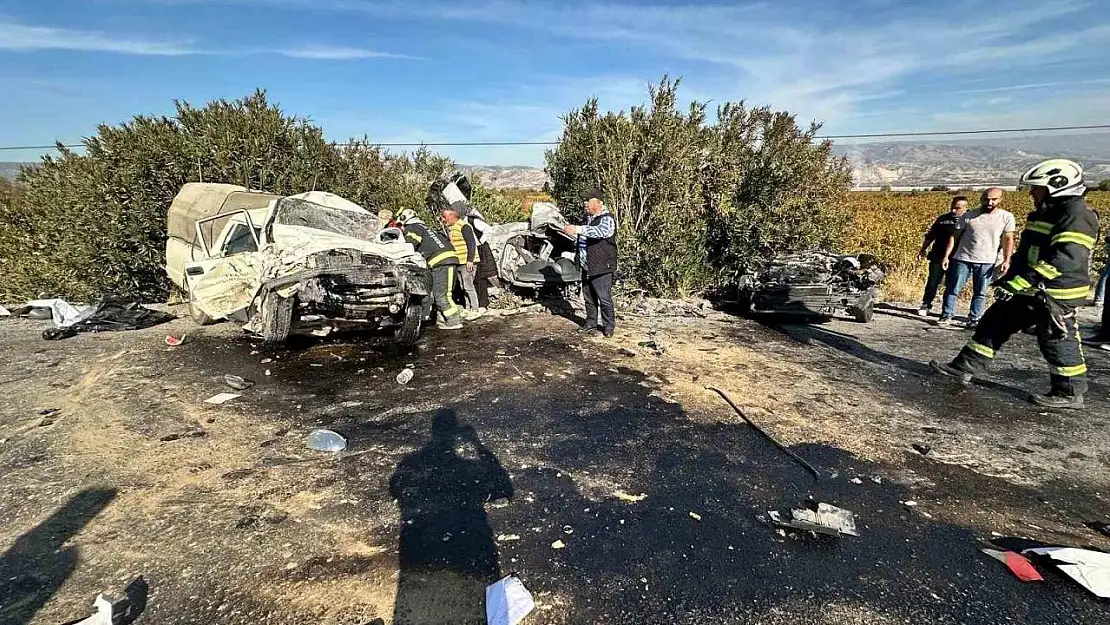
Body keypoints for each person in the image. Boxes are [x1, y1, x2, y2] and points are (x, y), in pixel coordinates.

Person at [931, 159, 1099, 409]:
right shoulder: (1047, 213)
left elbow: (1064, 260)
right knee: (995, 321)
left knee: (1056, 339)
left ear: (1056, 187)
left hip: (1055, 292)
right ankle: (964, 367)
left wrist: (1020, 282)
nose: (1032, 193)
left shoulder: (1076, 216)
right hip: (1032, 289)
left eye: (1037, 188)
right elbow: (1028, 252)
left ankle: (1069, 392)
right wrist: (1009, 279)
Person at [936, 187, 1015, 329]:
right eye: (986, 199)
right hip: (963, 258)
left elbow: (1008, 239)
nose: (989, 202)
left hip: (987, 260)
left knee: (980, 292)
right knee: (953, 288)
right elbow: (954, 236)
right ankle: (946, 315)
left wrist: (1006, 260)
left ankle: (974, 318)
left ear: (1000, 200)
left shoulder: (1006, 217)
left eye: (993, 199)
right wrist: (947, 256)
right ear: (981, 199)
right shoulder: (968, 216)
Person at [562, 188, 618, 338]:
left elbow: (601, 232)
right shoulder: (587, 219)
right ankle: (591, 324)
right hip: (587, 266)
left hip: (601, 266)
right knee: (588, 298)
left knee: (604, 297)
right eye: (585, 202)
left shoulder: (607, 218)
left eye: (588, 201)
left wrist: (577, 229)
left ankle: (608, 327)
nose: (584, 204)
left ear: (598, 203)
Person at [398, 208, 463, 330]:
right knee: (441, 293)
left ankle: (454, 321)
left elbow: (409, 245)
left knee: (442, 295)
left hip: (441, 262)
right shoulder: (425, 228)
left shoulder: (412, 228)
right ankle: (443, 319)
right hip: (445, 261)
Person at [917, 196, 969, 317]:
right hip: (938, 255)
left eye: (957, 208)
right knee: (932, 282)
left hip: (958, 257)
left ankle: (947, 309)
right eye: (952, 207)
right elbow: (931, 236)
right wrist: (923, 250)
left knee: (952, 284)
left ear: (965, 208)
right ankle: (926, 304)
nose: (954, 211)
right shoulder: (943, 219)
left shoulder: (970, 220)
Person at [442, 201, 482, 319]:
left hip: (467, 262)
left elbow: (471, 243)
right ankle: (468, 308)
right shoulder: (451, 228)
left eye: (445, 217)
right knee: (463, 287)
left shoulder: (464, 226)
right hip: (458, 262)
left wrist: (470, 260)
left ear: (453, 215)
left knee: (468, 285)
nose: (444, 220)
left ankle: (475, 309)